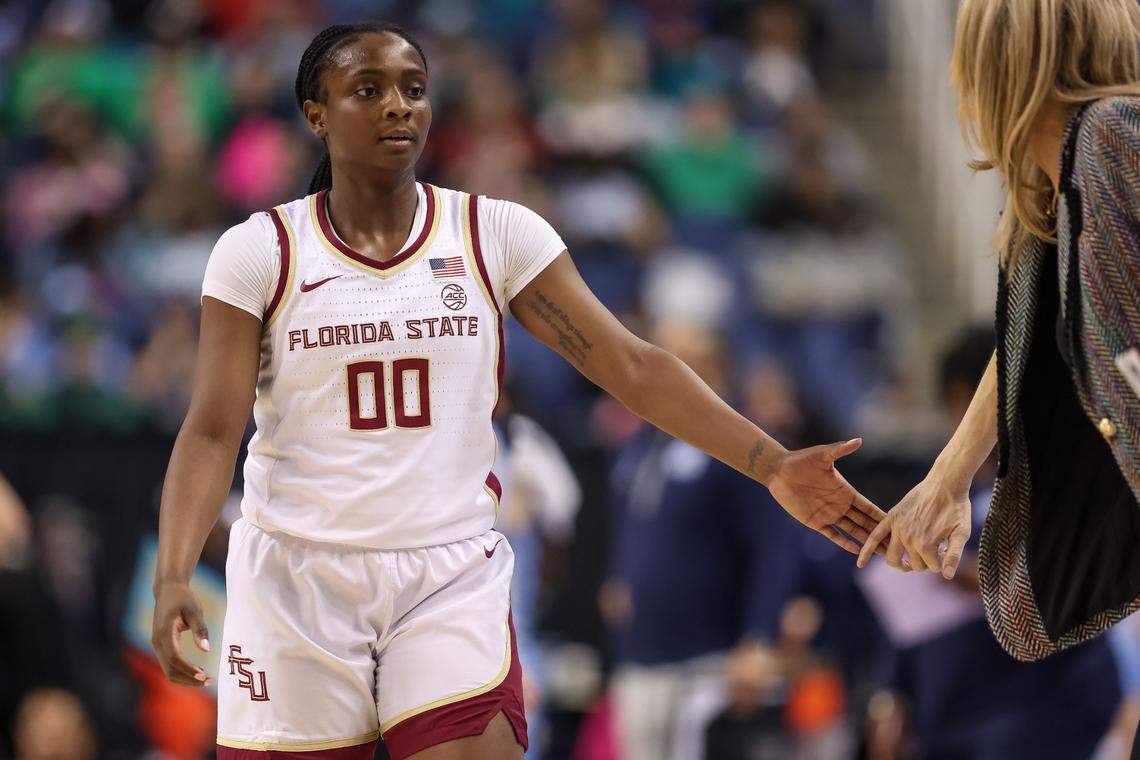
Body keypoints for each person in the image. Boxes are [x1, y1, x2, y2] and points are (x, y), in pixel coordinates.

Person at [149, 22, 886, 760]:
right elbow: (213, 430)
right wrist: (173, 574)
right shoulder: (260, 251)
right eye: (367, 91)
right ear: (316, 114)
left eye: (413, 89)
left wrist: (770, 463)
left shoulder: (490, 233)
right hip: (295, 574)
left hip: (444, 571)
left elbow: (631, 365)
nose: (399, 106)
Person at [858, 0, 1140, 663]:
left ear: (1000, 65)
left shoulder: (1112, 140)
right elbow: (1024, 345)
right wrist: (948, 478)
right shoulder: (1055, 192)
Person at [857, 328, 1120, 759]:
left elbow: (1079, 577)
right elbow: (904, 614)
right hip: (949, 710)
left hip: (1042, 705)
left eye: (966, 403)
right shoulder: (938, 493)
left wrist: (978, 577)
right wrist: (890, 695)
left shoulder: (1061, 478)